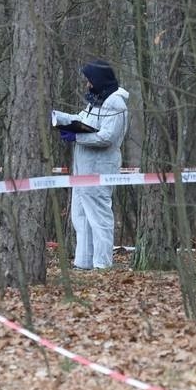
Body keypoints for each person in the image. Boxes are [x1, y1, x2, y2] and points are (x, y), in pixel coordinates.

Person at [52, 60, 129, 270]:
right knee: (80, 217)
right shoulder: (97, 100)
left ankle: (102, 264)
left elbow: (107, 138)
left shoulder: (116, 103)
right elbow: (82, 119)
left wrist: (77, 138)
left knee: (99, 218)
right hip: (82, 170)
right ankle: (83, 262)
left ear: (99, 80)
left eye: (89, 80)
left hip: (99, 169)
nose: (87, 84)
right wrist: (58, 118)